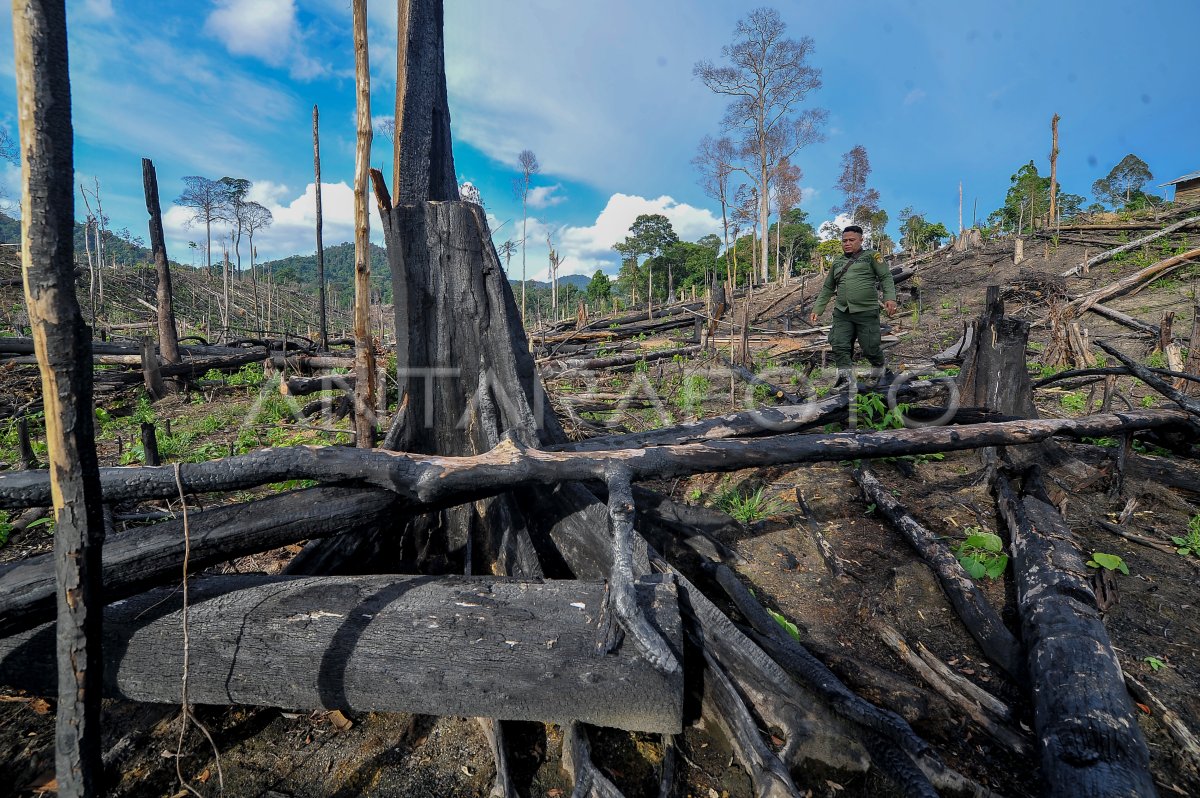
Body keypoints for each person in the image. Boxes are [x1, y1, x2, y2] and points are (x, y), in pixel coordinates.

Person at [808, 225, 897, 387]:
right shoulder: (838, 262)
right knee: (839, 344)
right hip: (842, 312)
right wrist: (817, 309)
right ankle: (846, 379)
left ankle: (880, 370)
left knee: (870, 347)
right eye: (844, 241)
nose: (847, 243)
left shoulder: (872, 256)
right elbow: (828, 287)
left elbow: (885, 277)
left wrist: (890, 298)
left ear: (861, 240)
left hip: (866, 311)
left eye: (851, 240)